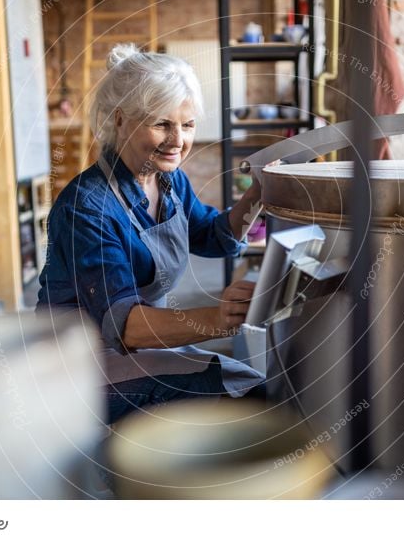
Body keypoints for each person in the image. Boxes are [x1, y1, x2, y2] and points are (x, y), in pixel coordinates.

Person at [37, 44, 265, 424]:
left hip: (130, 346)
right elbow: (125, 326)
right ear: (119, 119)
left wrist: (259, 193)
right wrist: (221, 318)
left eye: (188, 125)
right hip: (77, 360)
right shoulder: (88, 207)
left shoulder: (169, 181)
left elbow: (213, 236)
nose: (178, 140)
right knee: (238, 387)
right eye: (162, 123)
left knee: (244, 380)